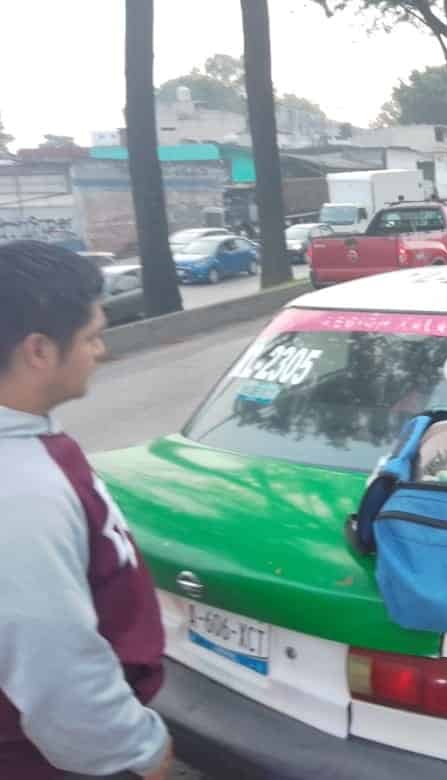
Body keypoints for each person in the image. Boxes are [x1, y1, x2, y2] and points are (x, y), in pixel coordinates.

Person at [0, 241, 172, 780]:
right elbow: (55, 667)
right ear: (38, 351)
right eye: (93, 337)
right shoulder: (22, 489)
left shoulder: (31, 442)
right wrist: (140, 752)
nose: (101, 352)